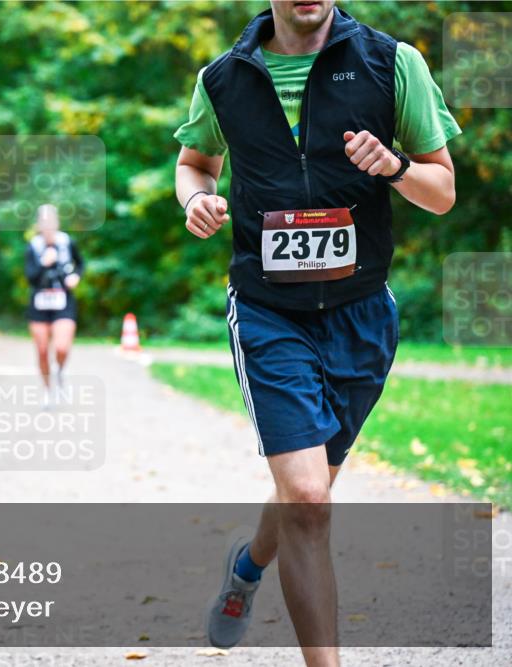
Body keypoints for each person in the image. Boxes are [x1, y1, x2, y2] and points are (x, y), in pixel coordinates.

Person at [173, 1, 459, 664]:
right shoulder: (223, 78)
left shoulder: (393, 64)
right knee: (306, 497)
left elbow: (442, 189)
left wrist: (392, 166)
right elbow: (195, 162)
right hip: (269, 310)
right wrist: (197, 199)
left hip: (361, 312)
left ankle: (246, 565)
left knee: (310, 490)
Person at [25, 204, 83, 404]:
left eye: (51, 221)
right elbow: (30, 277)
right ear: (38, 224)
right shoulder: (33, 246)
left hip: (63, 300)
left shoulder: (67, 242)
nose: (47, 225)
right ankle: (48, 391)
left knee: (61, 348)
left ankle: (59, 370)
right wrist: (44, 263)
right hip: (39, 303)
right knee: (42, 350)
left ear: (57, 222)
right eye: (43, 221)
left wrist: (75, 277)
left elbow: (80, 263)